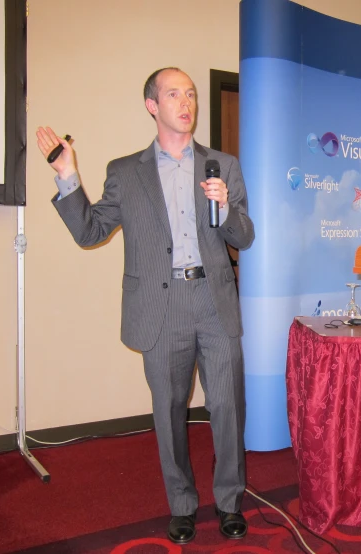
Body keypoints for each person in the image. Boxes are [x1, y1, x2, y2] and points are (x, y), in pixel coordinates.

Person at [36, 67, 254, 544]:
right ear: (152, 106)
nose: (186, 101)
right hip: (162, 305)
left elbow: (244, 237)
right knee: (170, 409)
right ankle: (181, 503)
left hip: (214, 300)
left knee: (227, 406)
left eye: (191, 93)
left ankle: (230, 501)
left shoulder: (223, 165)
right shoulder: (125, 172)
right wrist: (68, 176)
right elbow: (90, 231)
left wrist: (227, 208)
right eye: (174, 93)